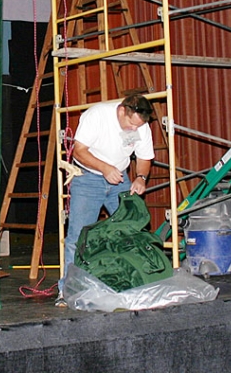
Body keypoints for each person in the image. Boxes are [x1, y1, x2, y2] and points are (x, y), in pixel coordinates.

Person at [58, 94, 155, 305]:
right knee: (78, 236)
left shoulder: (140, 126)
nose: (133, 130)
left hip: (119, 179)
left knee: (131, 231)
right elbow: (79, 152)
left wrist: (140, 178)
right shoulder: (97, 115)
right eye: (130, 124)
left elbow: (144, 157)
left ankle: (135, 284)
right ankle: (67, 291)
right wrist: (104, 168)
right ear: (121, 111)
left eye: (138, 126)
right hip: (88, 179)